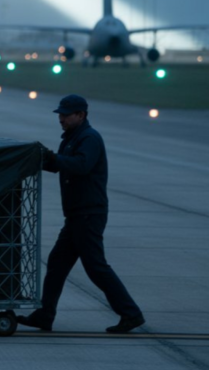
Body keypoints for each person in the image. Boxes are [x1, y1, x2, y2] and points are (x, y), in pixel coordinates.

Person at [17, 94, 146, 334]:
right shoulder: (73, 138)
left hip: (88, 214)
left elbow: (81, 165)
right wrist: (39, 158)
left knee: (96, 267)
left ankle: (131, 313)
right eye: (60, 114)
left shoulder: (89, 138)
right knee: (57, 264)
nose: (61, 119)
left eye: (66, 115)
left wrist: (53, 157)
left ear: (81, 115)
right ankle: (45, 316)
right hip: (77, 216)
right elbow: (60, 165)